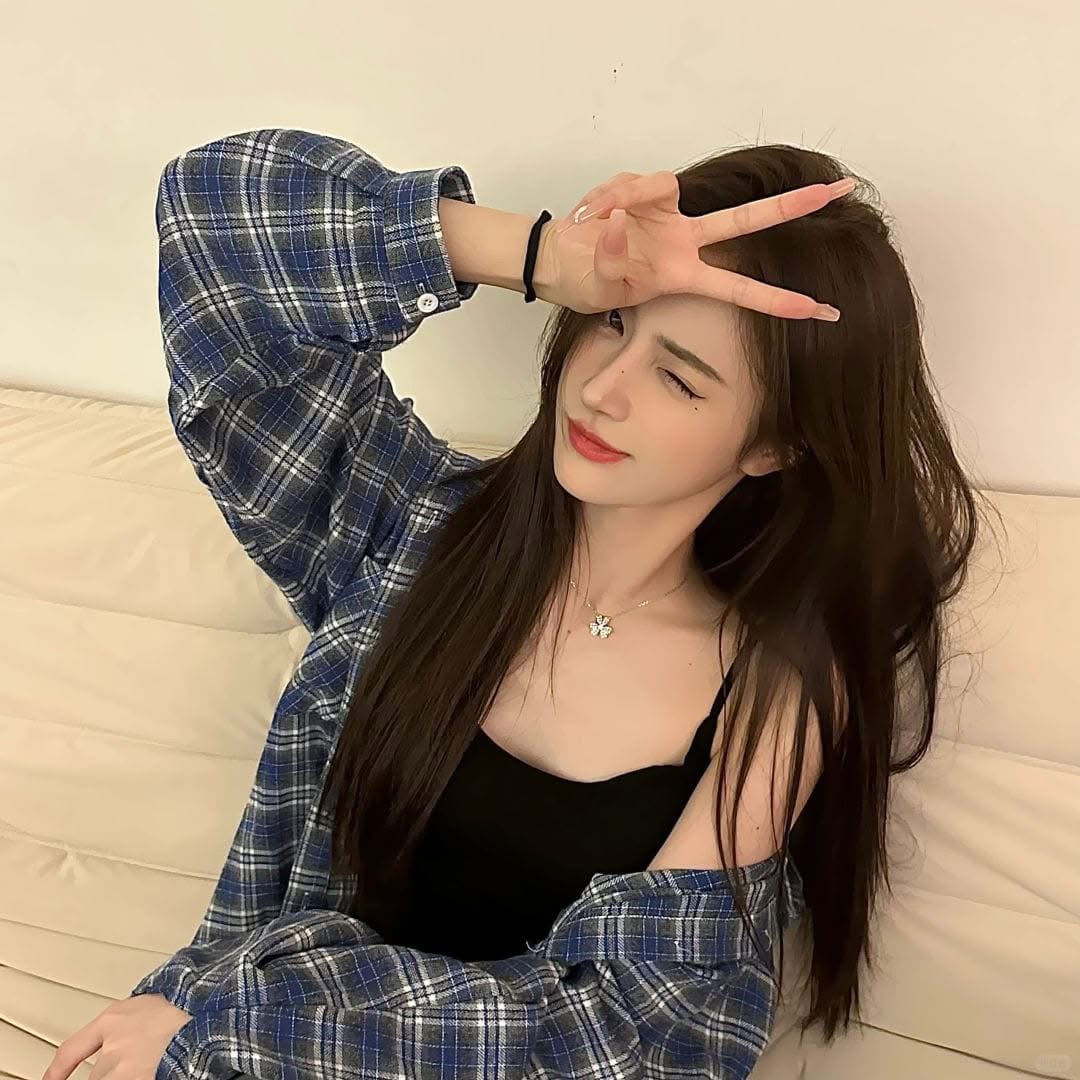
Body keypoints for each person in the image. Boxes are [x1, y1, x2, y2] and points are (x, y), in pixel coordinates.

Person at [43, 127, 992, 1080]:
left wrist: (241, 1032)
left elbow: (646, 1040)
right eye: (612, 321)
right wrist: (547, 255)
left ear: (773, 447)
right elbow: (213, 217)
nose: (602, 389)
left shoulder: (770, 690)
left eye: (678, 377)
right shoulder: (406, 522)